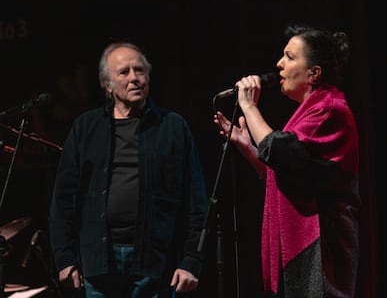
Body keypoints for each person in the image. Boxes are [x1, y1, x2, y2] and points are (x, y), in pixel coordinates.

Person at [48, 42, 208, 298]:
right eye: (124, 72)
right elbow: (63, 199)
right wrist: (64, 258)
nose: (134, 78)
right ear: (107, 84)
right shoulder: (86, 128)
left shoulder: (173, 127)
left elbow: (196, 201)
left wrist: (191, 259)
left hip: (155, 263)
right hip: (97, 262)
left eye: (140, 71)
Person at [214, 24, 360, 298]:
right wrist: (248, 147)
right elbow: (289, 170)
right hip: (301, 245)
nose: (279, 64)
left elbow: (278, 150)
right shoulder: (309, 113)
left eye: (290, 57)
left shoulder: (330, 110)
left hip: (321, 246)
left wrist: (249, 106)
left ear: (314, 73)